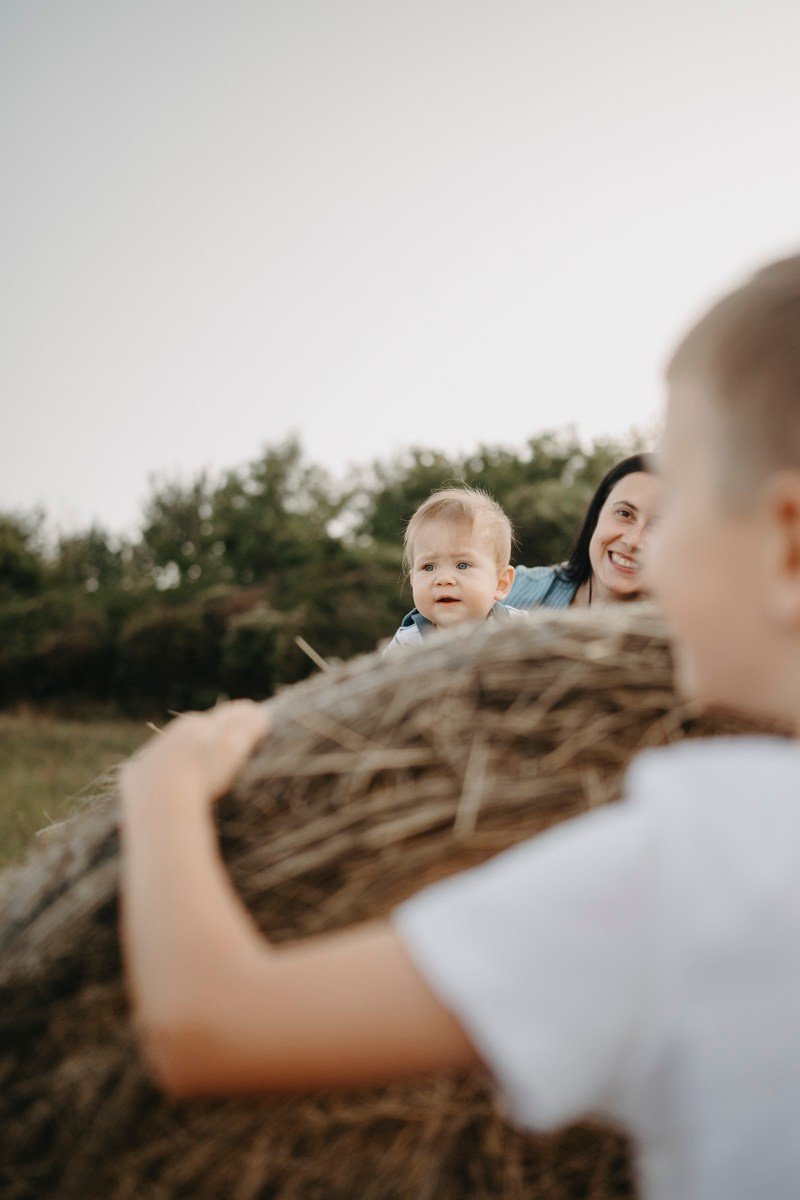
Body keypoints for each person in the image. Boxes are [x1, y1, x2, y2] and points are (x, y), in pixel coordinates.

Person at [121, 253, 800, 1200]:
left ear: (786, 546)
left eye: (683, 505)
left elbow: (210, 1027)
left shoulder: (702, 857)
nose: (650, 549)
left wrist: (163, 787)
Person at [505, 453, 661, 610]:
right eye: (624, 514)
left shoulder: (679, 632)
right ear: (596, 514)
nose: (633, 540)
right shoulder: (509, 588)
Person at [383, 485, 526, 652]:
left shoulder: (520, 629)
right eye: (428, 567)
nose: (443, 579)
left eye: (462, 565)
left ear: (501, 583)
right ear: (413, 579)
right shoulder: (406, 645)